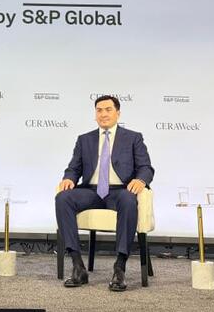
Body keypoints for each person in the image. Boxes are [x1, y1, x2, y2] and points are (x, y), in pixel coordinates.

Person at [55, 95, 154, 292]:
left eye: (108, 109)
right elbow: (74, 168)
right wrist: (69, 178)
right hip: (91, 192)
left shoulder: (133, 138)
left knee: (128, 200)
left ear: (118, 113)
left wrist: (140, 180)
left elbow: (146, 167)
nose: (103, 114)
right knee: (63, 198)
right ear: (95, 114)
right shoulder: (84, 139)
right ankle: (77, 265)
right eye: (99, 110)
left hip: (120, 191)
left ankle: (120, 267)